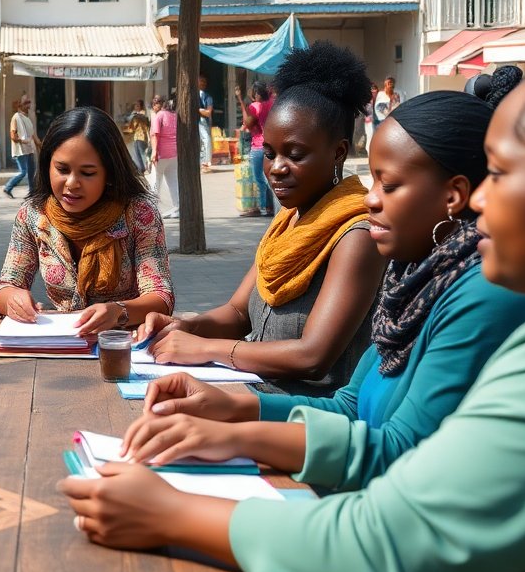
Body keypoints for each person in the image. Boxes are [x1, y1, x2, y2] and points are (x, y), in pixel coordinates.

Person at [60, 45, 525, 572]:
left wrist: (171, 512)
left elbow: (390, 547)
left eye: (502, 174)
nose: (480, 201)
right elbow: (360, 414)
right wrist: (235, 413)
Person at [118, 80, 525, 494]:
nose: (370, 199)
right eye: (269, 153)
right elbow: (348, 407)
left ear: (454, 196)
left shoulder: (479, 290)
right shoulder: (414, 278)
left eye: (389, 185)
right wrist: (233, 407)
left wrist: (236, 437)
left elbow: (398, 451)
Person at [134, 42, 386, 395]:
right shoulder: (286, 221)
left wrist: (206, 348)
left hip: (311, 421)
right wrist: (185, 326)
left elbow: (312, 355)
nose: (277, 168)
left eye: (295, 154)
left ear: (338, 153)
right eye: (269, 153)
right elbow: (239, 314)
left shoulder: (356, 236)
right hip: (255, 399)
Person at [0, 107, 174, 337]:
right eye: (62, 169)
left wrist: (118, 311)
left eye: (87, 173)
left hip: (124, 344)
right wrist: (12, 299)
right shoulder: (34, 215)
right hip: (60, 344)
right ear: (47, 165)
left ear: (109, 174)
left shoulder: (139, 214)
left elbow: (161, 296)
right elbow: (3, 285)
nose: (72, 183)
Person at [234, 81, 277, 218]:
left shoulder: (254, 106)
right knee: (268, 177)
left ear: (257, 94)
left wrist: (242, 102)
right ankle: (270, 207)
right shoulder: (271, 104)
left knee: (260, 179)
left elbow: (247, 124)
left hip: (258, 146)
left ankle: (263, 207)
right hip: (270, 145)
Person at [150, 97, 180, 219]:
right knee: (173, 181)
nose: (154, 106)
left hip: (161, 154)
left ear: (162, 105)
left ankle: (153, 209)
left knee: (155, 181)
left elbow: (155, 135)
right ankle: (178, 208)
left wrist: (154, 152)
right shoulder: (175, 116)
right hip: (174, 153)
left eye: (156, 103)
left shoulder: (159, 116)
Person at [5, 97, 39, 197]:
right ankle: (8, 187)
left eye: (29, 102)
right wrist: (22, 141)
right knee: (23, 172)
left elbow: (33, 136)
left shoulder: (28, 119)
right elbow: (13, 135)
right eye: (26, 103)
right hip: (20, 150)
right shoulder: (16, 117)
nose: (28, 105)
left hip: (30, 149)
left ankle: (32, 193)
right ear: (20, 105)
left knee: (32, 172)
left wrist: (40, 145)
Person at [123, 100, 150, 174]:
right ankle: (144, 171)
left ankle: (144, 170)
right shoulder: (144, 115)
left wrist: (124, 130)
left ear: (140, 106)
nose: (135, 107)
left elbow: (131, 128)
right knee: (141, 155)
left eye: (137, 105)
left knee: (140, 156)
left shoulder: (137, 116)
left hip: (139, 138)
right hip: (143, 138)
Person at [196, 74, 214, 173]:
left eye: (204, 81)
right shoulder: (193, 95)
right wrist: (202, 111)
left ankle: (205, 163)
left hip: (203, 122)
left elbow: (208, 113)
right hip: (195, 122)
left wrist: (198, 109)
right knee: (199, 142)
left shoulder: (207, 97)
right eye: (201, 81)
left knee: (206, 140)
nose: (203, 83)